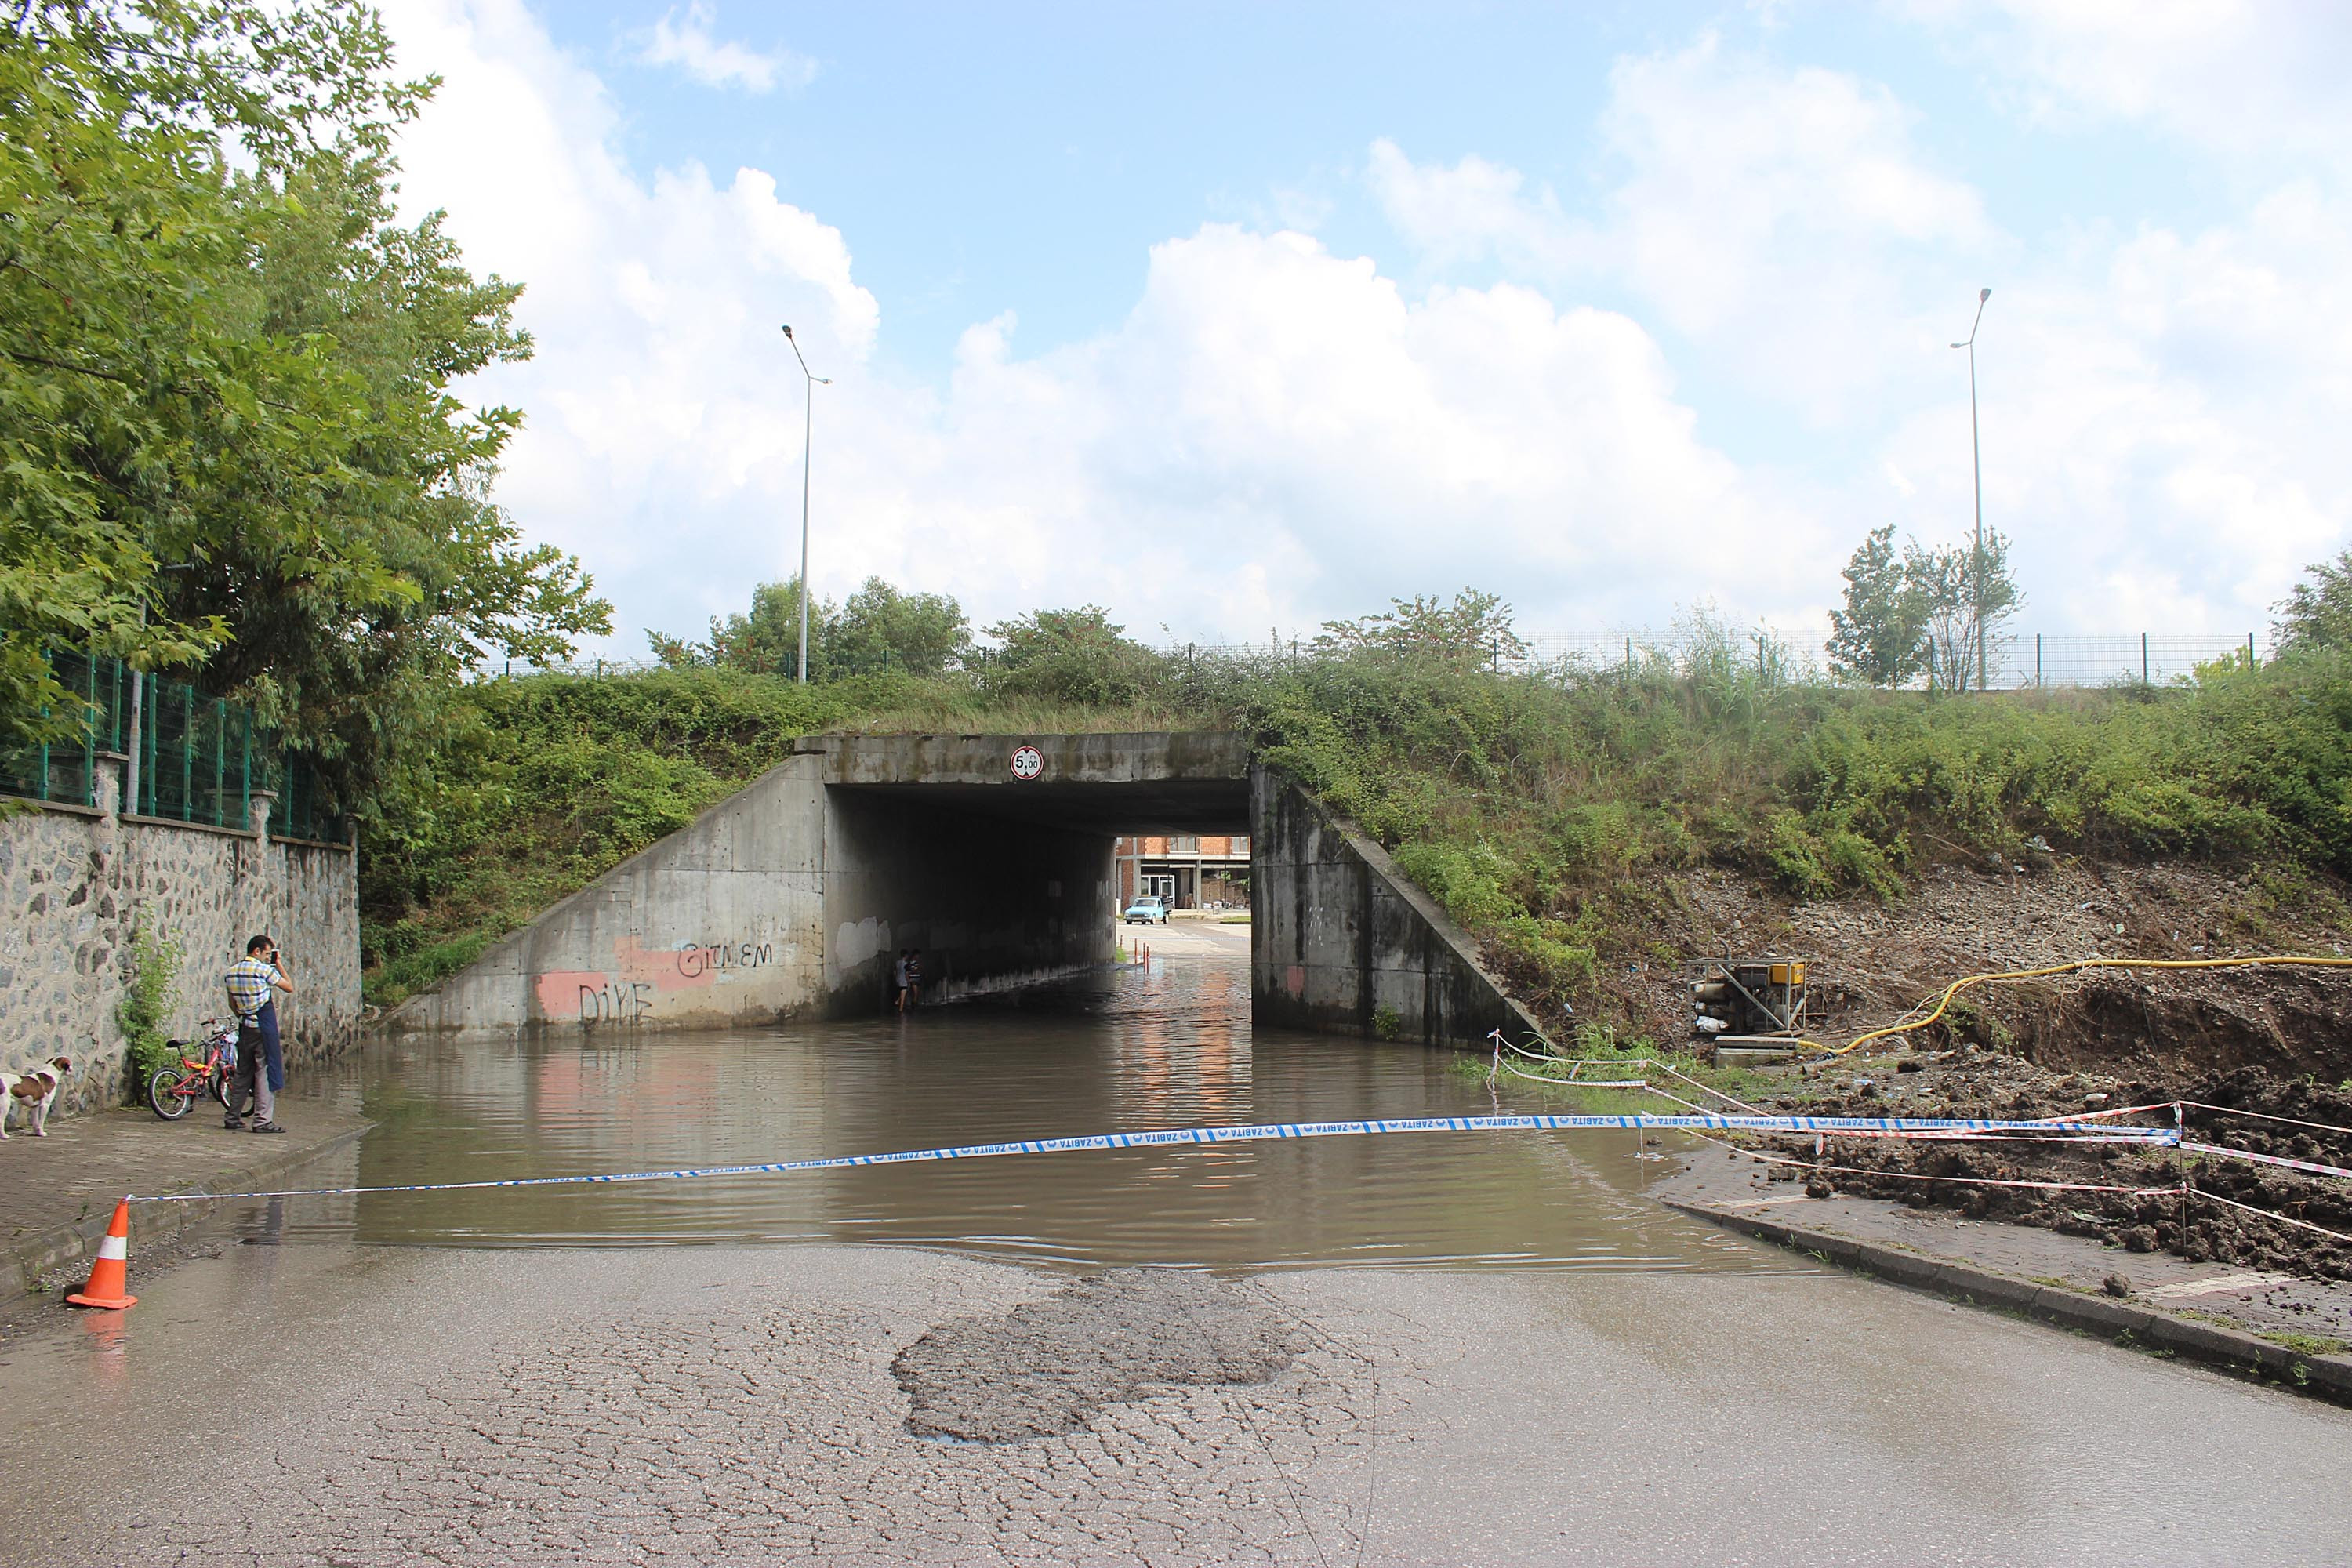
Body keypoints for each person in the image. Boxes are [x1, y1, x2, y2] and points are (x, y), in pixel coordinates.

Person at [223, 933, 295, 1134]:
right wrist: (279, 965)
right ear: (257, 951)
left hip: (245, 1027)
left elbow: (232, 1004)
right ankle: (262, 1121)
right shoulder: (263, 971)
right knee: (265, 1072)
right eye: (267, 953)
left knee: (242, 1073)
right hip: (264, 1028)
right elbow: (289, 987)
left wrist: (244, 1016)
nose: (268, 958)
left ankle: (232, 1117)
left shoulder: (231, 972)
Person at [893, 949, 912, 1013]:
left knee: (902, 993)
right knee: (903, 997)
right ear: (906, 955)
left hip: (898, 981)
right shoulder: (907, 964)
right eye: (907, 955)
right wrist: (909, 982)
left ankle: (897, 1001)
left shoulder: (897, 962)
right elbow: (907, 975)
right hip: (904, 982)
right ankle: (901, 1010)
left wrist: (896, 978)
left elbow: (895, 972)